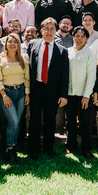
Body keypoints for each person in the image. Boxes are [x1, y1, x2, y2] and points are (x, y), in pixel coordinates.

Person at [26, 18, 69, 159]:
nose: (49, 31)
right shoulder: (32, 44)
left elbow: (64, 75)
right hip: (36, 88)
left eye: (52, 29)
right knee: (35, 119)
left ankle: (48, 148)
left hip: (52, 90)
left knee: (50, 120)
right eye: (47, 28)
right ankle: (34, 148)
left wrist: (63, 95)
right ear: (41, 30)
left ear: (55, 31)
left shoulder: (62, 51)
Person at [0, 33, 30, 162]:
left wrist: (27, 94)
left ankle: (13, 146)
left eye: (15, 41)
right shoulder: (0, 59)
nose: (12, 44)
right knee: (13, 121)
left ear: (19, 44)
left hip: (21, 93)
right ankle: (10, 150)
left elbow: (27, 78)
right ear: (6, 44)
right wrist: (4, 95)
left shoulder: (24, 58)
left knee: (17, 122)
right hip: (6, 93)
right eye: (10, 42)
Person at [65, 26, 97, 158]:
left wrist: (86, 95)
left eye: (82, 36)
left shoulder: (90, 53)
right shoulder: (67, 52)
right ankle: (71, 146)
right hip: (69, 93)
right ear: (73, 37)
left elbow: (91, 76)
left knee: (85, 122)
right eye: (76, 36)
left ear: (86, 39)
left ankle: (86, 148)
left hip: (84, 95)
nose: (79, 38)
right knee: (70, 121)